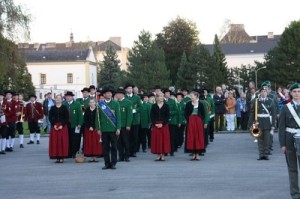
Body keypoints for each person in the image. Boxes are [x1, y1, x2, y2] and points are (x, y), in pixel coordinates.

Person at [279, 83, 300, 199]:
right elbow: (281, 127)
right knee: (292, 169)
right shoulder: (286, 108)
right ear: (291, 93)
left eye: (299, 91)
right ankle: (295, 194)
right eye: (295, 92)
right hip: (289, 140)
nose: (297, 94)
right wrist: (282, 144)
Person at [95, 86, 121, 170]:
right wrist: (98, 128)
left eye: (110, 93)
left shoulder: (115, 104)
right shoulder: (100, 104)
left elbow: (118, 117)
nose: (109, 94)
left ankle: (113, 163)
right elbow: (97, 118)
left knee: (114, 147)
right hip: (104, 129)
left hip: (113, 129)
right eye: (107, 93)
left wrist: (118, 128)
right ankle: (107, 163)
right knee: (105, 148)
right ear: (104, 94)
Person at [248, 86, 276, 160]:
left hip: (267, 122)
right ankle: (261, 154)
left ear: (267, 93)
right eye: (262, 91)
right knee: (260, 140)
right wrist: (250, 124)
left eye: (265, 91)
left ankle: (266, 154)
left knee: (267, 140)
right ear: (260, 93)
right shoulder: (256, 101)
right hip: (258, 122)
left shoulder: (270, 101)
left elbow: (273, 114)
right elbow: (252, 113)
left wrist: (273, 124)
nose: (263, 93)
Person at [185, 90, 207, 161]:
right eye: (190, 96)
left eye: (192, 96)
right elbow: (185, 113)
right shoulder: (188, 104)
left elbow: (203, 113)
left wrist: (200, 120)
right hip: (191, 122)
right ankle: (193, 153)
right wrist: (189, 119)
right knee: (192, 136)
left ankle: (197, 154)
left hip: (198, 122)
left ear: (196, 96)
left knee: (198, 136)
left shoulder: (200, 104)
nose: (191, 97)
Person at [49, 95, 69, 163]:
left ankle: (62, 157)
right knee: (55, 141)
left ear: (61, 99)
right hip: (54, 126)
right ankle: (57, 156)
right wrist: (54, 124)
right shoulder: (52, 108)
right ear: (55, 99)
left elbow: (67, 117)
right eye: (57, 98)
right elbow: (50, 117)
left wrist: (62, 125)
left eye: (59, 98)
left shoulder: (64, 107)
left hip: (62, 126)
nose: (58, 99)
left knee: (62, 141)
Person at [150, 92, 171, 161]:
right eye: (160, 96)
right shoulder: (154, 106)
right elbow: (151, 116)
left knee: (164, 140)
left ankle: (163, 154)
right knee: (157, 140)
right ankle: (158, 155)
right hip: (156, 124)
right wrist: (154, 124)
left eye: (162, 96)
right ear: (157, 98)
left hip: (164, 125)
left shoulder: (166, 106)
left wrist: (163, 124)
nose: (161, 98)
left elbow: (167, 116)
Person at [63, 91, 83, 158]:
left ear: (72, 97)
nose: (68, 98)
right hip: (66, 125)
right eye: (67, 96)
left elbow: (80, 115)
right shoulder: (64, 104)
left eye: (69, 96)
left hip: (75, 125)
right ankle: (68, 153)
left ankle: (75, 152)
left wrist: (79, 123)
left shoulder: (77, 104)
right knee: (68, 139)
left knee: (76, 139)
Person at [115, 88, 132, 162]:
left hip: (125, 125)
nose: (117, 95)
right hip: (117, 125)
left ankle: (127, 155)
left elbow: (129, 115)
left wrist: (128, 124)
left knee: (126, 141)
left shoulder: (128, 102)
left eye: (118, 94)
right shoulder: (116, 103)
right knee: (119, 142)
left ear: (122, 94)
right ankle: (121, 156)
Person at [83, 98, 103, 163]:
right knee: (90, 142)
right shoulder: (87, 110)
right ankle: (91, 156)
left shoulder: (98, 109)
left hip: (96, 129)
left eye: (93, 102)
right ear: (89, 103)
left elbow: (99, 119)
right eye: (90, 102)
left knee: (95, 142)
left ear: (95, 103)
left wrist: (95, 127)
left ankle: (95, 156)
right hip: (88, 129)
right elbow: (85, 119)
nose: (91, 103)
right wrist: (89, 126)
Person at [125, 84, 142, 157]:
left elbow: (141, 107)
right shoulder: (124, 97)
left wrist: (135, 110)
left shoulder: (137, 97)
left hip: (135, 120)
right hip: (126, 120)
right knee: (127, 137)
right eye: (128, 88)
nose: (130, 90)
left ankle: (133, 151)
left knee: (134, 136)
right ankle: (127, 151)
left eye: (131, 88)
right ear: (126, 90)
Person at [164, 89, 179, 156]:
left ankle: (172, 150)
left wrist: (170, 113)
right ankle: (165, 150)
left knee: (172, 136)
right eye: (166, 93)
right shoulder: (162, 101)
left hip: (172, 121)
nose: (168, 94)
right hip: (164, 121)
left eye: (169, 93)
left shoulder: (172, 101)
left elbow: (176, 111)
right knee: (165, 137)